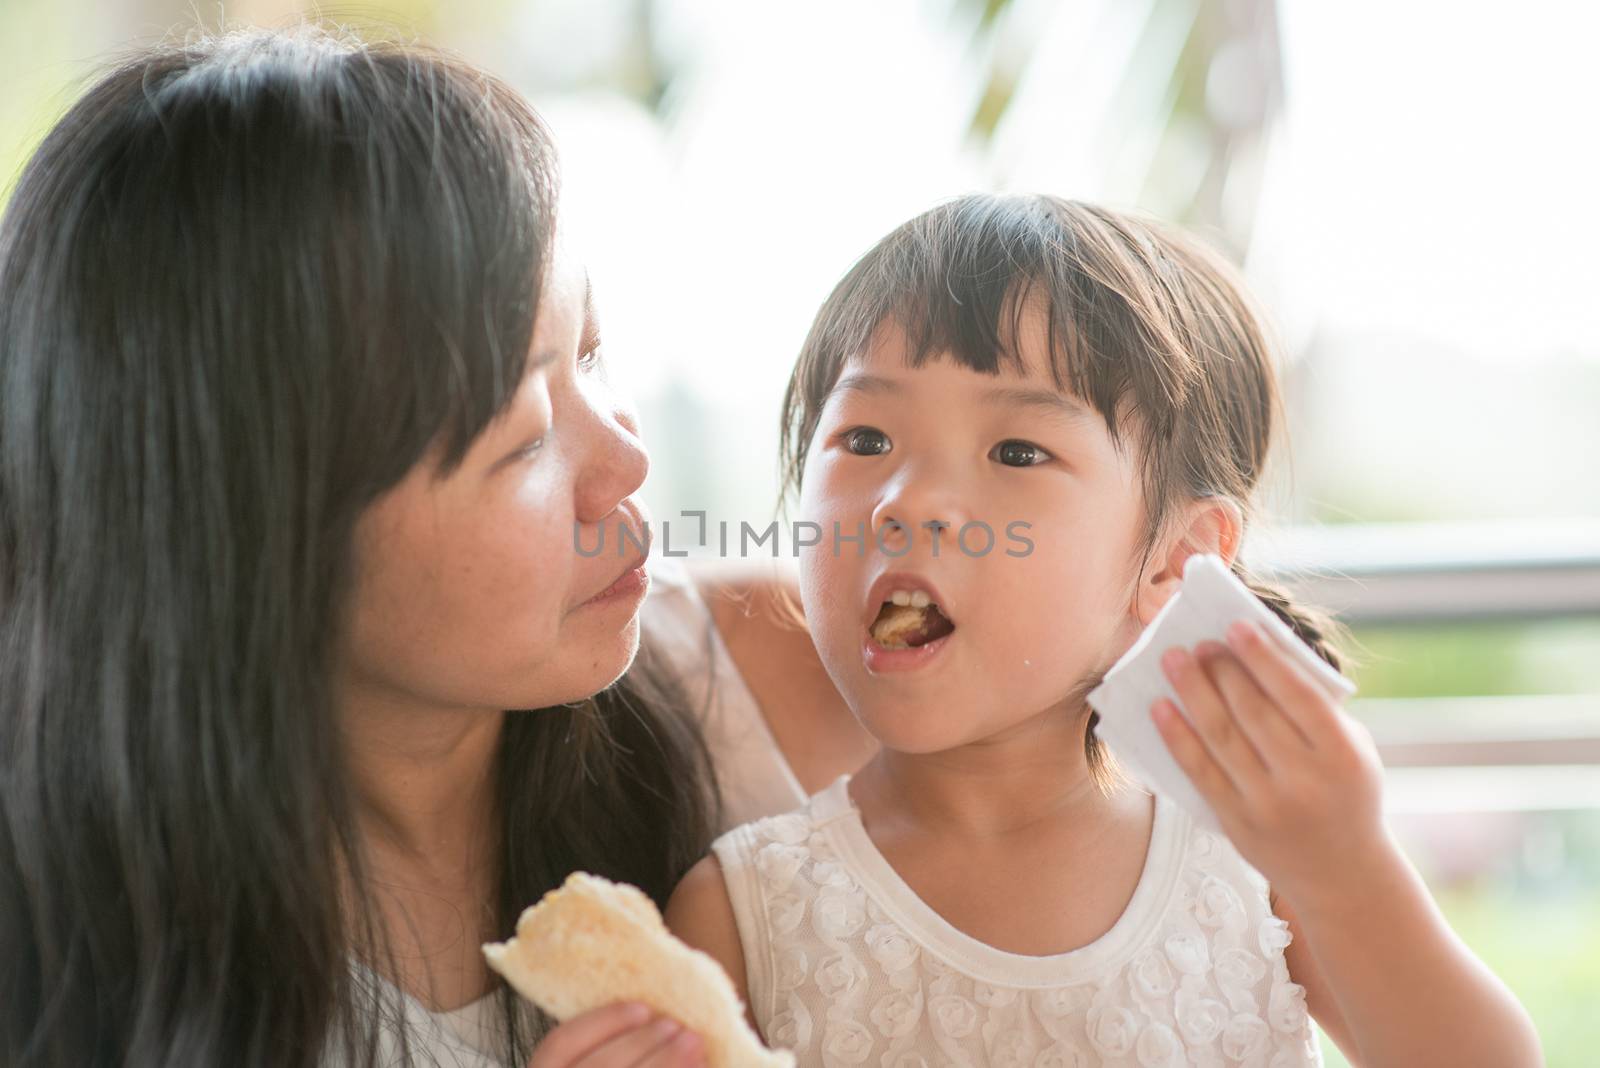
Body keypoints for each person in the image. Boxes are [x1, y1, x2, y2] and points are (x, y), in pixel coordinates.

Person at [0, 26, 870, 1068]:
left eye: (591, 352)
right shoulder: (63, 974)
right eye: (527, 439)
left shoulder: (786, 685)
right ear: (264, 541)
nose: (625, 462)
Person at [666, 195, 1543, 1066]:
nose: (906, 500)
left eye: (1015, 452)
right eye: (864, 439)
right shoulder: (741, 917)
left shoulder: (1254, 860)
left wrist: (1349, 866)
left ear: (1175, 561)